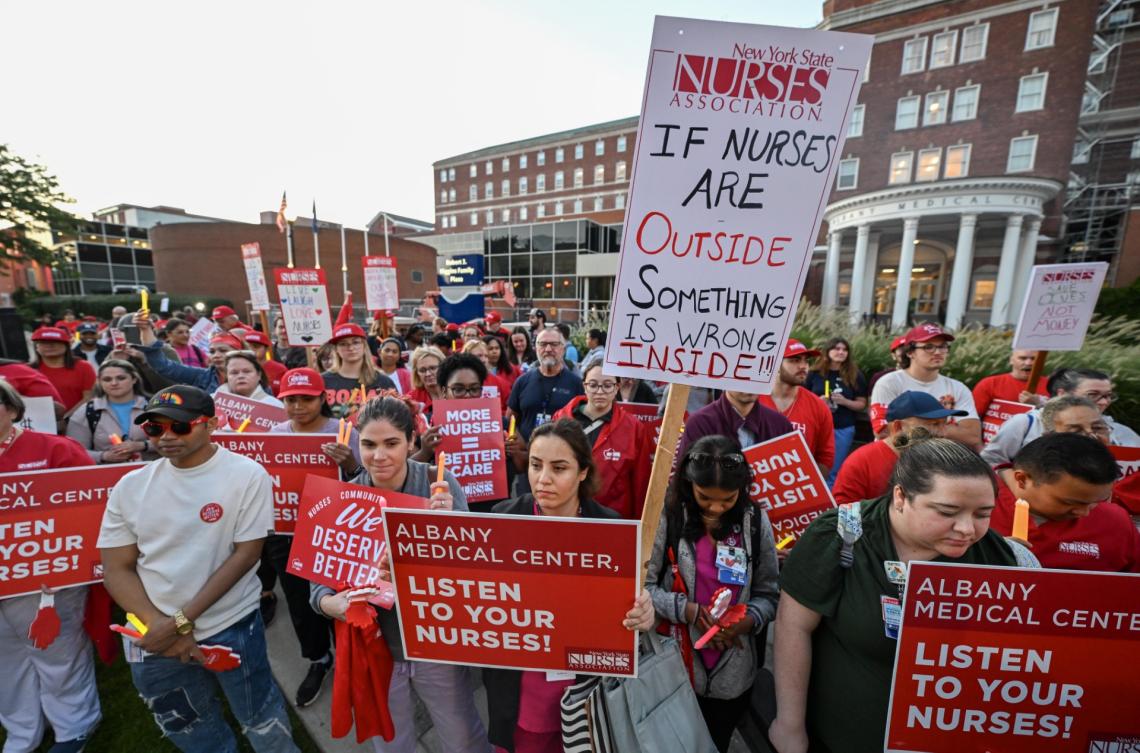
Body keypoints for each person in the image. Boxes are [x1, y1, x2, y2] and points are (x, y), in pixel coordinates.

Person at [769, 437, 1027, 753]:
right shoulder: (840, 533)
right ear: (901, 497)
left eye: (982, 514)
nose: (967, 529)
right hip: (846, 736)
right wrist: (789, 725)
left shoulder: (998, 557)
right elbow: (794, 626)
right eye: (948, 511)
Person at [98, 385, 299, 752]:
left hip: (230, 625)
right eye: (155, 429)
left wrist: (178, 624)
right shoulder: (130, 486)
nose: (166, 437)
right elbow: (116, 568)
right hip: (151, 633)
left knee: (261, 718)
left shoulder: (246, 475)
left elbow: (246, 555)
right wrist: (162, 628)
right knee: (190, 729)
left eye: (179, 426)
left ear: (212, 425)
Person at [312, 397, 489, 753]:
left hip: (435, 642)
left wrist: (450, 526)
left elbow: (474, 569)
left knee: (461, 736)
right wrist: (333, 604)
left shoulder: (439, 484)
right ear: (356, 443)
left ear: (411, 441)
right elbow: (318, 585)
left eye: (391, 443)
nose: (379, 456)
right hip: (376, 647)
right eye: (369, 444)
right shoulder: (343, 498)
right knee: (391, 740)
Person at [483, 419, 655, 753]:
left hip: (589, 695)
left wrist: (643, 611)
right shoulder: (503, 518)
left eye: (559, 468)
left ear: (582, 472)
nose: (543, 479)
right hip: (523, 694)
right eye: (535, 465)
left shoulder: (612, 529)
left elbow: (627, 606)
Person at [647, 435, 779, 752]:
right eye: (705, 497)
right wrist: (688, 611)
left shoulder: (755, 522)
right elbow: (643, 588)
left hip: (733, 673)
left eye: (728, 499)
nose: (716, 508)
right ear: (688, 484)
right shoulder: (668, 515)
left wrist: (747, 621)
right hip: (673, 672)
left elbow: (770, 592)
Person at [0, 381, 102, 753]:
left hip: (46, 581)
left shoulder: (55, 449)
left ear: (11, 409)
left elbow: (89, 508)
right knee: (5, 663)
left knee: (56, 654)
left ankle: (75, 725)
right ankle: (23, 731)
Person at [267, 368, 361, 706]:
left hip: (333, 533)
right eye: (291, 399)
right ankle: (318, 660)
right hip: (286, 533)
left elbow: (364, 483)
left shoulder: (344, 432)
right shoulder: (275, 433)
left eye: (306, 398)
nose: (298, 406)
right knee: (298, 602)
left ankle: (349, 661)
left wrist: (349, 463)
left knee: (337, 600)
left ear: (322, 398)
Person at [990, 433, 1139, 572]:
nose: (1084, 513)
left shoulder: (1115, 523)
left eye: (1098, 501)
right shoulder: (973, 504)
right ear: (1022, 479)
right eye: (1069, 502)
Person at [552, 358, 651, 519]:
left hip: (613, 519)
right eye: (593, 385)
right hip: (566, 513)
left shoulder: (633, 428)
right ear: (584, 386)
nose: (600, 391)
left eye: (607, 385)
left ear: (617, 387)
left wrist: (639, 526)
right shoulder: (561, 418)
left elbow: (641, 483)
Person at [982, 367, 1140, 466]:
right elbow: (991, 459)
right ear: (1063, 394)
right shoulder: (1025, 423)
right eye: (1093, 395)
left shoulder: (1121, 432)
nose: (1104, 402)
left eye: (1108, 395)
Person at [832, 391, 964, 505]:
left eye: (944, 424)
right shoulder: (862, 462)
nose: (942, 433)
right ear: (898, 427)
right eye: (933, 424)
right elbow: (847, 524)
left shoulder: (943, 460)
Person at [435, 352, 526, 513]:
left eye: (474, 389)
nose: (468, 395)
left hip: (497, 514)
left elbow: (524, 466)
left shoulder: (499, 424)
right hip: (452, 516)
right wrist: (426, 450)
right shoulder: (432, 429)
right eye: (458, 389)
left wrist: (513, 451)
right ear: (444, 391)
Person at [869, 323, 981, 449]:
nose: (938, 352)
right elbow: (883, 432)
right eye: (929, 347)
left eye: (943, 346)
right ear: (910, 352)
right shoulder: (889, 382)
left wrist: (918, 426)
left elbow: (973, 436)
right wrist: (944, 428)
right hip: (894, 460)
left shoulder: (958, 388)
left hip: (940, 463)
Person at [760, 339, 835, 477]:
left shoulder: (818, 407)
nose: (803, 366)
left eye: (806, 361)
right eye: (794, 360)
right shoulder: (752, 400)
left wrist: (808, 484)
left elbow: (826, 456)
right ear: (775, 363)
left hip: (796, 490)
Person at [66, 358, 157, 464]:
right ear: (99, 382)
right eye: (107, 379)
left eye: (121, 378)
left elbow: (176, 441)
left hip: (152, 470)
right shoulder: (87, 411)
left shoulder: (154, 406)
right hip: (107, 474)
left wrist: (142, 445)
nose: (114, 383)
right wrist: (103, 456)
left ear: (134, 379)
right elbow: (74, 450)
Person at [805, 337, 867, 485]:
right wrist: (817, 402)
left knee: (832, 470)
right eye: (837, 349)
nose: (841, 352)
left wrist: (845, 402)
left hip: (842, 427)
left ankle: (827, 506)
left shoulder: (855, 375)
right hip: (815, 427)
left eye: (845, 350)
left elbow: (862, 404)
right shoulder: (813, 373)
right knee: (809, 467)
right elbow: (799, 398)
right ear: (827, 351)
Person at [506, 327, 584, 442]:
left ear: (563, 349)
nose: (548, 349)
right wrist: (516, 444)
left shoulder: (576, 383)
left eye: (554, 344)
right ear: (536, 348)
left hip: (561, 452)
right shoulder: (522, 381)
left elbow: (582, 423)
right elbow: (511, 418)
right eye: (543, 344)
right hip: (525, 454)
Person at [676, 389, 794, 463]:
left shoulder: (780, 424)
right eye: (742, 372)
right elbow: (686, 479)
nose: (751, 380)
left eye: (758, 372)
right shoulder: (699, 423)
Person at [136, 312, 241, 393]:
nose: (216, 355)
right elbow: (163, 366)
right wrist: (145, 330)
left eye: (223, 350)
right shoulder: (202, 376)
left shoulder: (254, 376)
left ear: (239, 352)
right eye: (212, 351)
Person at [322, 323, 397, 418]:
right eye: (343, 344)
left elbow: (395, 417)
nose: (350, 348)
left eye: (355, 342)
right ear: (336, 349)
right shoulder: (322, 381)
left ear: (364, 345)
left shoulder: (383, 381)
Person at [30, 326, 96, 415]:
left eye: (56, 342)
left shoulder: (84, 367)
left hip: (78, 422)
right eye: (43, 342)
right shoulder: (27, 371)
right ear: (36, 347)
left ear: (67, 346)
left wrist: (67, 418)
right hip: (38, 423)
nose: (50, 345)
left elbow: (89, 397)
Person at [971, 349, 1049, 419]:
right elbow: (971, 417)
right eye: (1022, 358)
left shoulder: (1051, 384)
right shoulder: (989, 384)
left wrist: (1039, 404)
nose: (1028, 363)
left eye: (1033, 359)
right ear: (1011, 360)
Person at [461, 339, 510, 410]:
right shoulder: (456, 383)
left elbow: (510, 409)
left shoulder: (499, 382)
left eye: (486, 356)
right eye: (479, 356)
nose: (484, 360)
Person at [243, 330, 287, 395]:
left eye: (256, 346)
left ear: (266, 349)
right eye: (247, 347)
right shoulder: (236, 369)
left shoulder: (280, 369)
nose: (251, 350)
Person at [408, 345, 447, 417]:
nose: (428, 374)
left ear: (443, 366)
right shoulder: (411, 399)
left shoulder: (456, 392)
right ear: (417, 373)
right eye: (422, 370)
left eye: (433, 368)